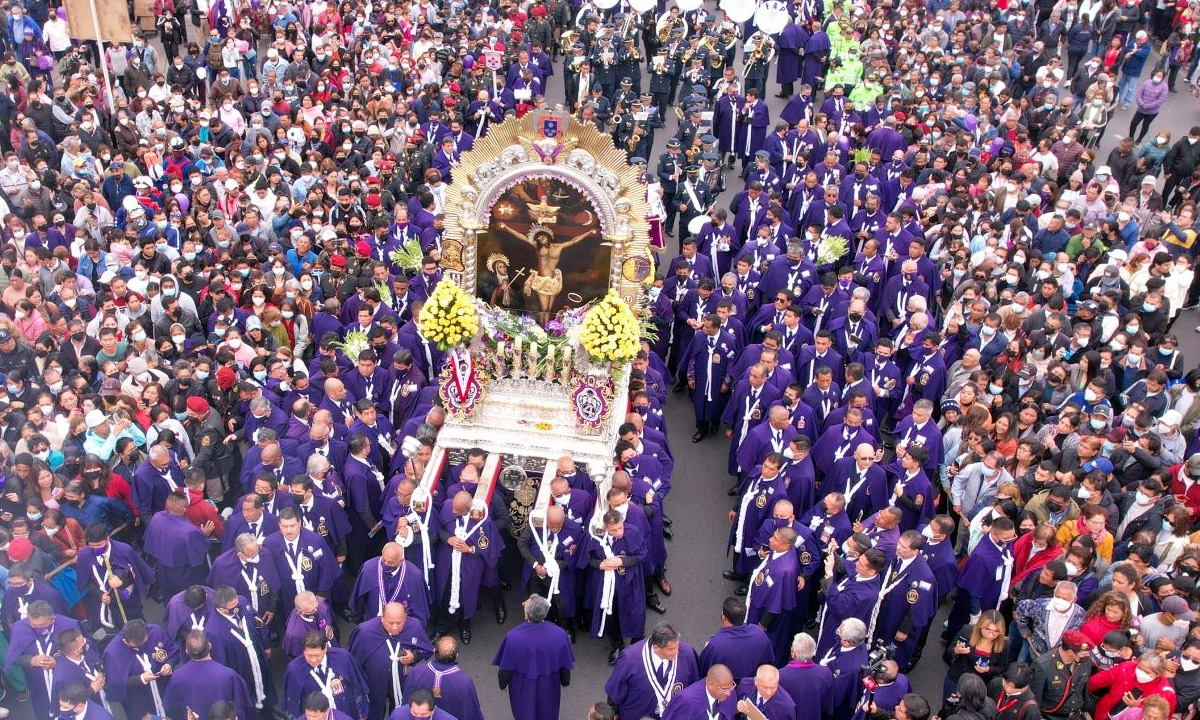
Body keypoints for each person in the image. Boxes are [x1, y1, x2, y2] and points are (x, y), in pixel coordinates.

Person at [492, 594, 575, 720]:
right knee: (548, 712)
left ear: (527, 615)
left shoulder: (513, 637)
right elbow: (564, 663)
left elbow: (506, 666)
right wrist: (565, 681)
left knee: (524, 712)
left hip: (522, 684)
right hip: (549, 683)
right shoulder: (560, 634)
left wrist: (502, 684)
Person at [604, 621, 700, 720]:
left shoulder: (687, 654)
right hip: (638, 714)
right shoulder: (629, 659)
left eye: (677, 646)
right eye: (671, 649)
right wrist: (613, 712)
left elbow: (695, 686)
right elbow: (616, 689)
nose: (676, 652)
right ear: (656, 647)